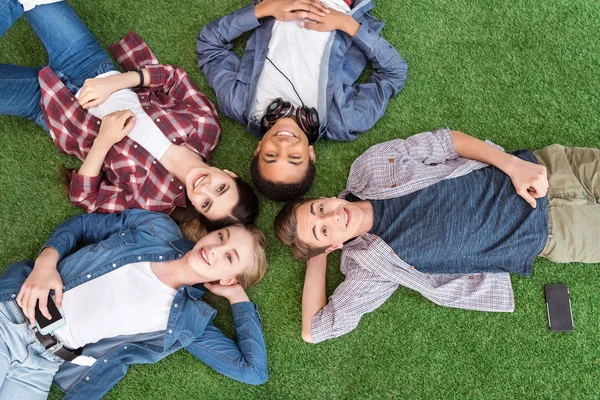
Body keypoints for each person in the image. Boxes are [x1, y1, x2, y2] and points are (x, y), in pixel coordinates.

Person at [274, 127, 600, 343]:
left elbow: (448, 141)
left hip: (548, 167)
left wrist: (513, 166)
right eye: (324, 229)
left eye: (319, 208)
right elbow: (314, 330)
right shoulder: (368, 269)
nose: (333, 216)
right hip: (552, 234)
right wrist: (317, 256)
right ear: (331, 244)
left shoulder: (370, 166)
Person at [0, 0, 259, 234]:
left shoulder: (153, 202)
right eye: (221, 188)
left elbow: (86, 198)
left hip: (53, 108)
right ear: (230, 174)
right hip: (88, 65)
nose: (204, 188)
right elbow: (174, 79)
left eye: (205, 203)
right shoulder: (206, 129)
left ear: (197, 210)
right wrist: (114, 83)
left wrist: (103, 141)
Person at [0, 208, 269, 398]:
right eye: (221, 237)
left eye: (229, 258)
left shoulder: (190, 321)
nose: (214, 249)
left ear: (229, 278)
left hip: (42, 365)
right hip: (14, 319)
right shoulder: (157, 228)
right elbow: (84, 226)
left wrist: (237, 297)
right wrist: (46, 261)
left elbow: (253, 371)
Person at [197, 0, 408, 201]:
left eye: (271, 154)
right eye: (294, 158)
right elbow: (394, 73)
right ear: (310, 155)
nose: (283, 144)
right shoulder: (346, 121)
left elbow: (209, 44)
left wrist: (263, 9)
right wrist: (348, 25)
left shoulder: (236, 102)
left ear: (258, 148)